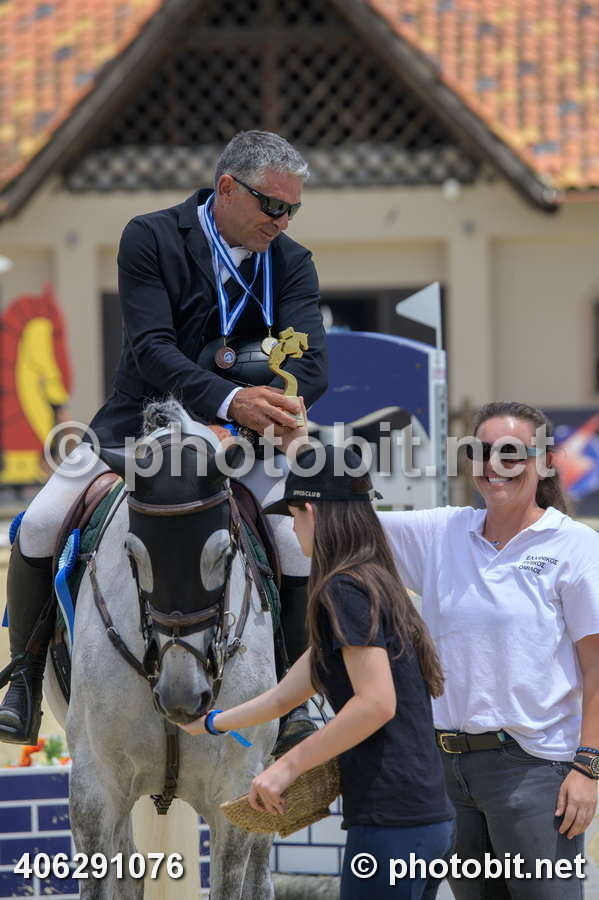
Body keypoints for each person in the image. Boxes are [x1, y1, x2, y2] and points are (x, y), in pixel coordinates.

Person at [0, 130, 327, 747]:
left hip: (245, 438)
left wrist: (249, 417)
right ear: (227, 188)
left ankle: (296, 702)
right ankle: (24, 682)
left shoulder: (292, 263)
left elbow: (312, 368)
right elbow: (152, 349)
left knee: (294, 542)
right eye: (272, 206)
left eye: (293, 210)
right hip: (141, 423)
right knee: (39, 524)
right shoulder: (150, 236)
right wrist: (230, 398)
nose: (282, 222)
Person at [181, 444, 456, 900]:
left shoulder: (344, 589)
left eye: (293, 516)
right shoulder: (374, 580)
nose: (293, 529)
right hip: (425, 818)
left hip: (393, 821)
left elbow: (376, 703)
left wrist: (285, 767)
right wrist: (210, 722)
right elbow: (282, 697)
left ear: (309, 510)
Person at [380, 401, 599, 899]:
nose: (494, 464)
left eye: (512, 452)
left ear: (545, 462)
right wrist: (294, 445)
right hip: (448, 774)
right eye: (481, 451)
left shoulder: (575, 547)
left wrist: (588, 767)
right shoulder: (443, 533)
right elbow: (343, 520)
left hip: (535, 772)